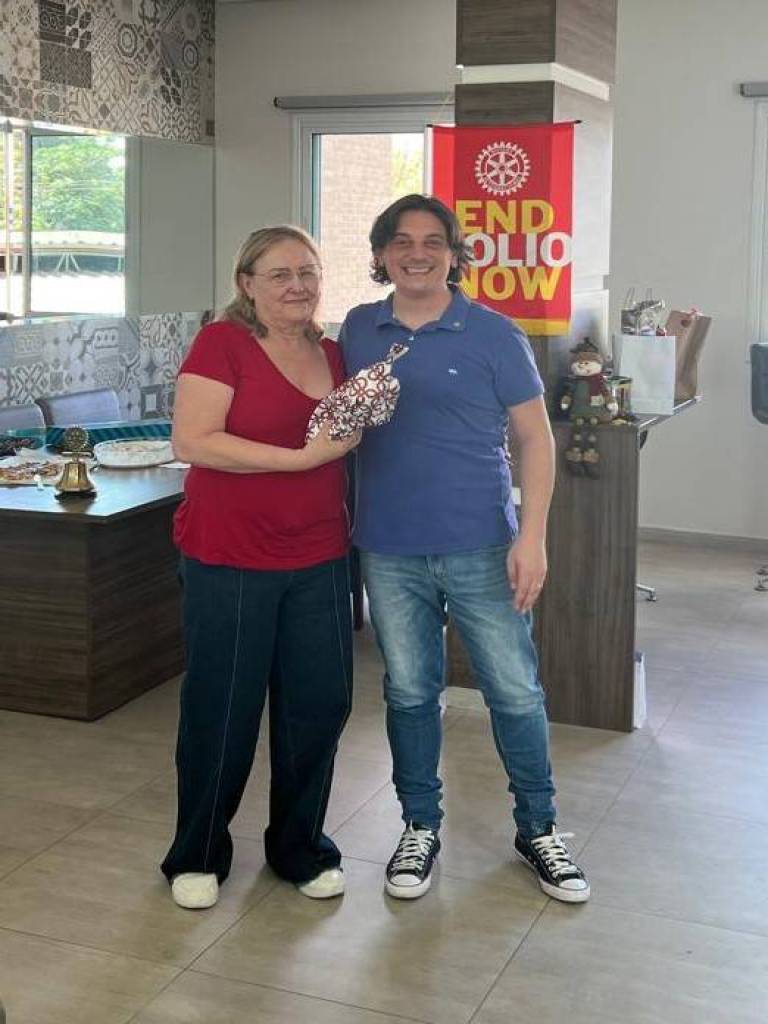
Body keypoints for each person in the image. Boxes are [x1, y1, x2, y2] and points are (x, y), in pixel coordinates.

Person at [339, 195, 589, 904]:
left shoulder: (493, 334)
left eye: (433, 241)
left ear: (454, 254)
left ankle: (538, 829)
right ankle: (419, 825)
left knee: (514, 691)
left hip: (482, 543)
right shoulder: (357, 328)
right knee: (410, 691)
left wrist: (532, 537)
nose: (417, 253)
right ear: (381, 253)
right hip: (388, 547)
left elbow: (536, 439)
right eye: (401, 241)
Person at [162, 226, 360, 909]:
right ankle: (197, 854)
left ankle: (299, 848)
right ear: (247, 284)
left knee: (320, 705)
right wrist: (301, 460)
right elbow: (193, 441)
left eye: (308, 272)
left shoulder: (333, 353)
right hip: (231, 555)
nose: (297, 286)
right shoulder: (222, 344)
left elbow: (347, 436)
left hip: (320, 555)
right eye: (280, 274)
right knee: (223, 708)